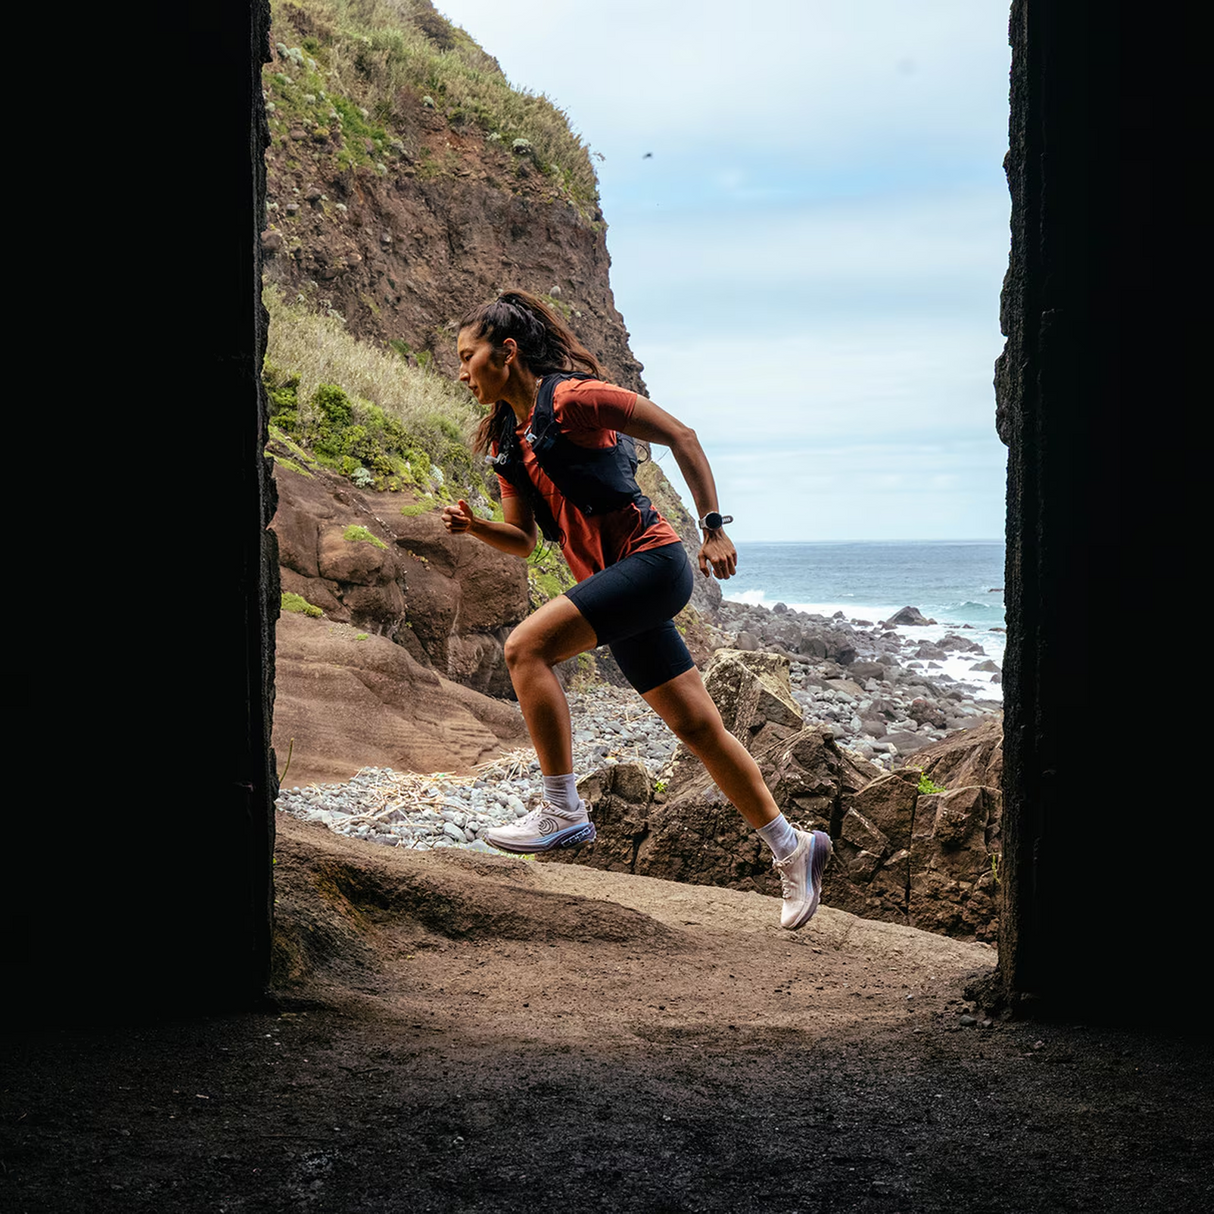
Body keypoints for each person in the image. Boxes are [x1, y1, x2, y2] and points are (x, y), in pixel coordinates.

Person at [441, 290, 830, 929]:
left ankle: (562, 808)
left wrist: (713, 528)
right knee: (698, 728)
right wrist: (474, 526)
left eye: (467, 356)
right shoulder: (509, 443)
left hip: (652, 564)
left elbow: (681, 434)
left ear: (506, 352)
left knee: (524, 648)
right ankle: (793, 849)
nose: (461, 372)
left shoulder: (572, 399)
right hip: (619, 586)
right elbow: (524, 541)